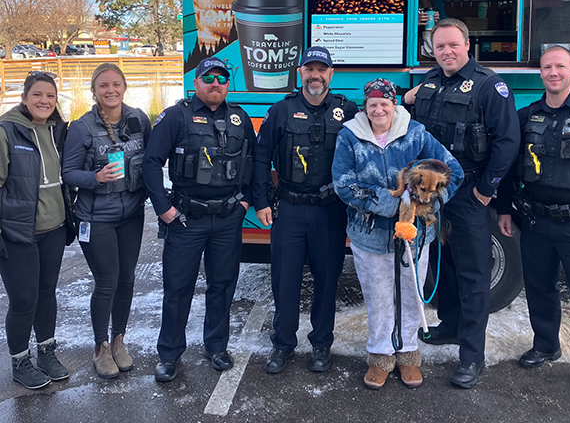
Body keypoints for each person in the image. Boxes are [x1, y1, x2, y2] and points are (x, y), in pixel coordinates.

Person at [403, 18, 520, 388]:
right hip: (433, 197)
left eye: (453, 45)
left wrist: (486, 192)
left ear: (468, 45)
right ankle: (450, 326)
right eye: (440, 47)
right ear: (432, 50)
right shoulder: (430, 83)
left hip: (469, 195)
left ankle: (472, 355)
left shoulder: (490, 86)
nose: (447, 52)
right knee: (444, 266)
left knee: (473, 274)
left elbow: (507, 143)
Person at [332, 78, 463, 390]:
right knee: (378, 298)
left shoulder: (415, 133)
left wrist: (429, 202)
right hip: (370, 234)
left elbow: (453, 171)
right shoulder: (349, 137)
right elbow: (342, 183)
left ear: (394, 105)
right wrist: (390, 203)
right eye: (373, 104)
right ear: (365, 107)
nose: (379, 109)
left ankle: (408, 355)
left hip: (415, 237)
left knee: (410, 294)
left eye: (385, 104)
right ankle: (380, 356)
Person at [496, 45, 570, 401]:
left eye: (560, 67)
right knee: (539, 289)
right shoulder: (527, 116)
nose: (552, 73)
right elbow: (509, 166)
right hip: (535, 219)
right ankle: (545, 345)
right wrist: (505, 209)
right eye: (546, 67)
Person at [142, 57, 255, 382]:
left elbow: (253, 160)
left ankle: (216, 346)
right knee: (178, 288)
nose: (216, 83)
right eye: (209, 78)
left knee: (222, 286)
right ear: (196, 82)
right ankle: (169, 354)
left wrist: (245, 200)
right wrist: (164, 209)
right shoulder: (176, 116)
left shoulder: (239, 118)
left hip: (227, 218)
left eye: (222, 78)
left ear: (227, 84)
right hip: (185, 219)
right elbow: (151, 163)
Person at [253, 46, 359, 374]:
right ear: (300, 73)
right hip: (290, 209)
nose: (315, 75)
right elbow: (260, 157)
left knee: (328, 281)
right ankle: (283, 344)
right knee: (285, 281)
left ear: (331, 74)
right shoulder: (281, 111)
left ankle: (321, 344)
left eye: (321, 69)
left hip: (330, 210)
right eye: (309, 69)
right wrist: (260, 202)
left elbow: (365, 153)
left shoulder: (349, 110)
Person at [62, 63, 151, 379]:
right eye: (103, 86)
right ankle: (100, 347)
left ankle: (118, 341)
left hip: (131, 214)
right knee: (107, 280)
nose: (110, 90)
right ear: (94, 91)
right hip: (95, 217)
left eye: (116, 84)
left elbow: (151, 162)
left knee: (126, 279)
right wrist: (96, 177)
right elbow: (68, 172)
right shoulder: (82, 127)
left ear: (125, 87)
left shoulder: (139, 119)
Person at [0, 71, 75, 390]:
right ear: (24, 97)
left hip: (54, 229)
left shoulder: (59, 130)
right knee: (23, 299)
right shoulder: (7, 131)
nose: (44, 101)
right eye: (37, 95)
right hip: (18, 233)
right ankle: (20, 361)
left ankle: (47, 351)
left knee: (46, 294)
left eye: (50, 96)